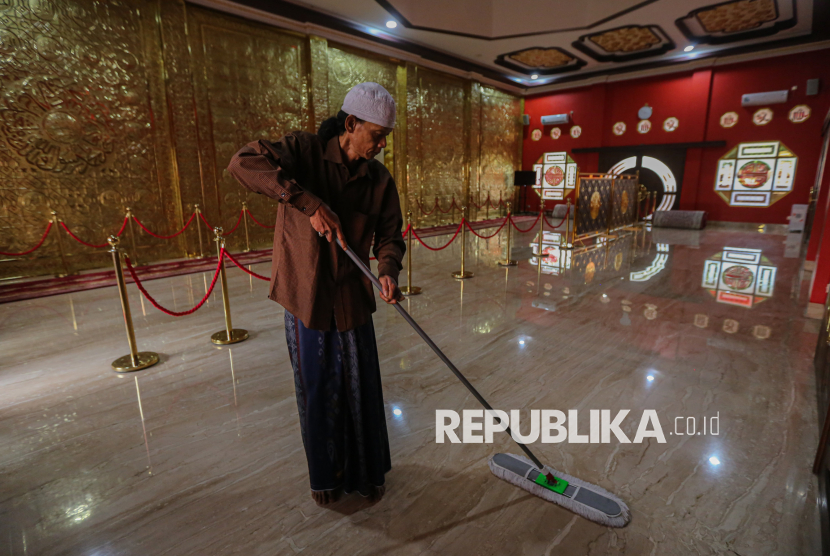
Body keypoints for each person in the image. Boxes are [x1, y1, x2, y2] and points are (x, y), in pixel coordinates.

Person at [227, 82, 405, 506]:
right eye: (377, 135)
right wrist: (306, 202)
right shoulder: (303, 152)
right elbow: (242, 163)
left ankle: (366, 474)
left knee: (362, 387)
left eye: (386, 137)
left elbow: (390, 236)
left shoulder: (379, 179)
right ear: (351, 123)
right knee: (318, 385)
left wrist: (387, 271)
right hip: (306, 294)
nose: (382, 145)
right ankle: (326, 477)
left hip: (352, 296)